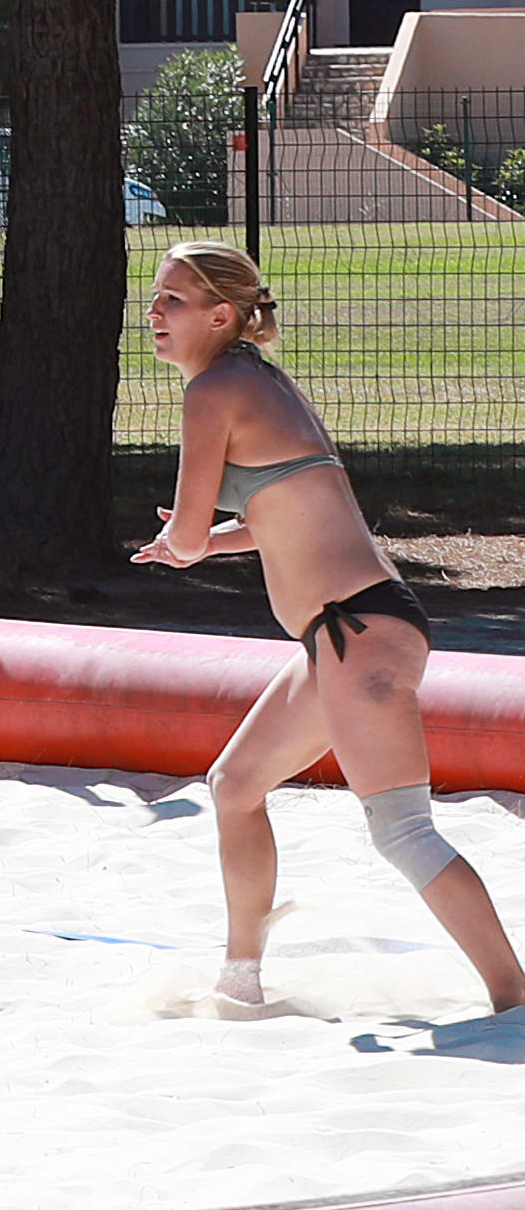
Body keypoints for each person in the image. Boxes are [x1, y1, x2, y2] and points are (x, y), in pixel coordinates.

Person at [131, 238, 525, 1011]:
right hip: (347, 633)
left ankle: (513, 996)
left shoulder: (215, 389)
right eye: (155, 297)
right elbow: (281, 514)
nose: (153, 313)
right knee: (236, 784)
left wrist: (185, 544)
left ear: (220, 315)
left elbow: (185, 529)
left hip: (357, 631)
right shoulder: (254, 380)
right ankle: (241, 978)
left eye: (172, 300)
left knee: (402, 832)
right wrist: (206, 541)